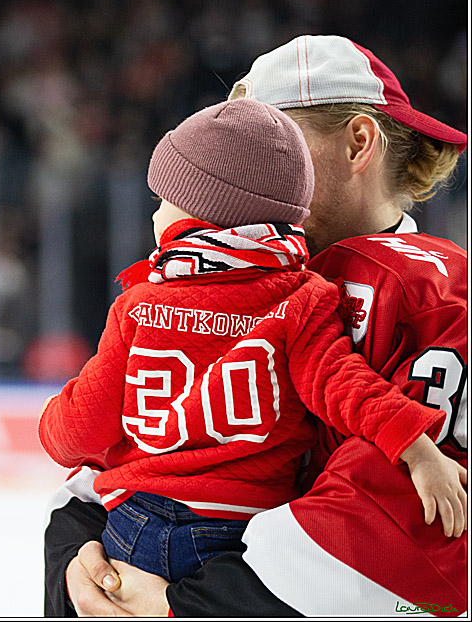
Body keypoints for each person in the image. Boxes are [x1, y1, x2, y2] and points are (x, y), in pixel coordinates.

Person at [44, 34, 468, 616]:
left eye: (276, 141)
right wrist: (78, 554)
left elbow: (397, 532)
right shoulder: (224, 277)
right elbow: (140, 445)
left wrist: (184, 606)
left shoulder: (436, 295)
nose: (247, 163)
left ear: (359, 142)